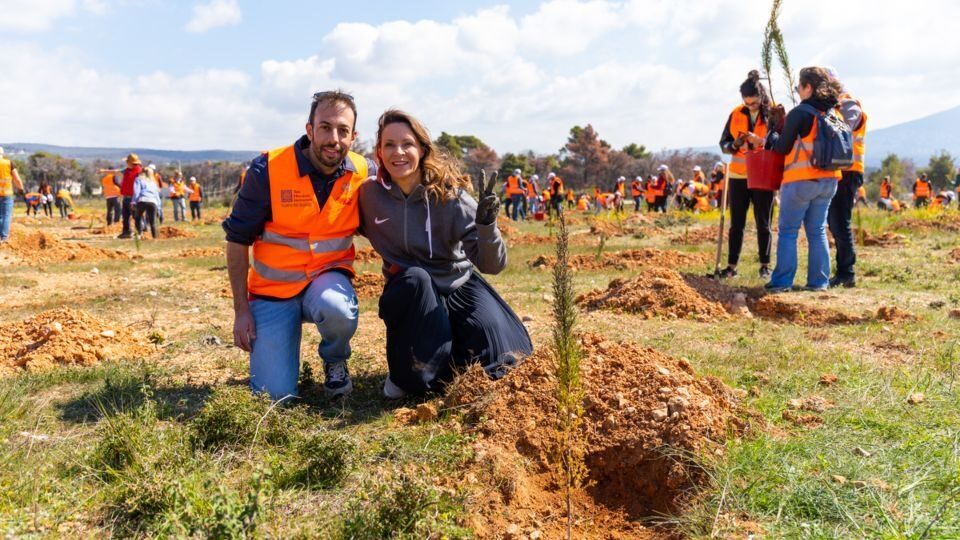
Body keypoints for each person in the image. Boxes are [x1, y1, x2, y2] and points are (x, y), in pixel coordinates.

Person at [359, 109, 532, 398]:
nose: (398, 152)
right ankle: (406, 375)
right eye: (389, 144)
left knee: (505, 360)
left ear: (423, 150)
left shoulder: (449, 196)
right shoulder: (368, 196)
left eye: (407, 144)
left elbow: (493, 265)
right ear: (379, 151)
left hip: (457, 286)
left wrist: (487, 226)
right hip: (411, 294)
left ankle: (445, 362)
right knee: (415, 279)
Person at [223, 90, 370, 400]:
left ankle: (335, 360)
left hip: (326, 281)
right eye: (325, 127)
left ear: (353, 136)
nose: (334, 138)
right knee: (274, 396)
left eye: (343, 130)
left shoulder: (360, 173)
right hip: (273, 291)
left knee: (338, 309)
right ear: (309, 130)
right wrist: (241, 310)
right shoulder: (268, 170)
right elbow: (237, 240)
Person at [762, 66, 843, 292]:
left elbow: (781, 147)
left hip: (800, 180)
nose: (797, 90)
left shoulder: (801, 112)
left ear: (808, 87)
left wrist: (773, 130)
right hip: (829, 181)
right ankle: (819, 283)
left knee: (788, 231)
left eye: (799, 86)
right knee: (817, 230)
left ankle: (781, 282)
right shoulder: (833, 113)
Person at [717, 70, 776, 279]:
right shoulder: (735, 113)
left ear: (761, 96)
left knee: (763, 223)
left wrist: (761, 142)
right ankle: (731, 267)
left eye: (754, 103)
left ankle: (765, 266)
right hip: (738, 176)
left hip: (763, 175)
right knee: (736, 225)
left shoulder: (772, 114)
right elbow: (723, 144)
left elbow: (780, 142)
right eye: (747, 102)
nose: (750, 106)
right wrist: (734, 144)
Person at [826, 71, 867, 288]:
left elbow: (843, 130)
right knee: (834, 222)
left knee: (840, 221)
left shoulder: (849, 105)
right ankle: (842, 270)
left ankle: (846, 272)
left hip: (849, 170)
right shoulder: (836, 106)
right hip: (839, 170)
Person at [99, 154, 143, 239]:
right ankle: (126, 232)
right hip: (126, 197)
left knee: (136, 216)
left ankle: (140, 232)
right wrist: (104, 171)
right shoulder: (126, 170)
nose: (126, 163)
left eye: (127, 162)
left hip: (134, 198)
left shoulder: (139, 171)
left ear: (130, 162)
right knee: (125, 216)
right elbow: (116, 172)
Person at [0, 147, 26, 241]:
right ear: (2, 154)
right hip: (7, 193)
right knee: (6, 215)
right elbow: (17, 179)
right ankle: (3, 238)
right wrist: (21, 189)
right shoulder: (8, 163)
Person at [133, 168, 161, 239]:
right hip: (153, 201)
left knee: (138, 218)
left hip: (142, 200)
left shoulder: (138, 179)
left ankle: (139, 235)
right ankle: (155, 237)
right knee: (153, 222)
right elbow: (157, 195)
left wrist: (134, 201)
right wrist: (159, 207)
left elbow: (136, 192)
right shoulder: (153, 182)